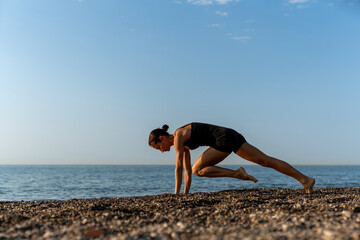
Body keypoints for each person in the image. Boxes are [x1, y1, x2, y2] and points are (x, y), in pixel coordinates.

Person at [148, 122, 315, 194]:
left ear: (162, 138)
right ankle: (305, 180)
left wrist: (176, 196)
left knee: (198, 169)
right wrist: (184, 195)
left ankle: (238, 174)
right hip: (230, 134)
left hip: (223, 138)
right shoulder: (182, 143)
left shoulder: (178, 136)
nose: (162, 151)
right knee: (265, 161)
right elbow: (186, 171)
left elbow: (178, 168)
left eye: (158, 148)